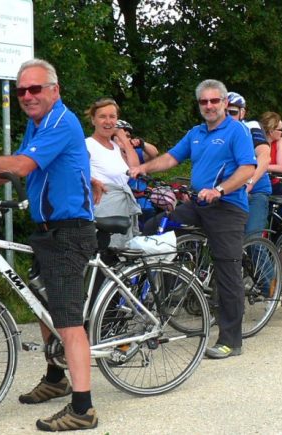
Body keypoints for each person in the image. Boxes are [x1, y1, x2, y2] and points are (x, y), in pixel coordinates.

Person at [0, 59, 100, 431]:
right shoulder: (36, 125)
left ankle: (83, 410)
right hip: (46, 228)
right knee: (42, 308)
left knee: (67, 320)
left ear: (55, 90)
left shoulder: (62, 122)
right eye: (22, 91)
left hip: (70, 230)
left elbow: (22, 165)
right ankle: (55, 378)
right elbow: (11, 166)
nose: (28, 96)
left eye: (35, 89)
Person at [131, 79, 255, 359]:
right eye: (204, 102)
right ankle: (163, 288)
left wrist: (220, 189)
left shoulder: (237, 131)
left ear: (224, 103)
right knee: (156, 226)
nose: (209, 106)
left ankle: (231, 340)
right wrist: (142, 167)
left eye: (214, 101)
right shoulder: (196, 133)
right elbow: (172, 158)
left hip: (227, 206)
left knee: (227, 271)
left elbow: (248, 168)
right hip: (199, 203)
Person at [84, 99, 141, 248]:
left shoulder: (116, 147)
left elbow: (134, 168)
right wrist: (92, 180)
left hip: (121, 210)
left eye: (112, 116)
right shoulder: (87, 145)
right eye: (102, 116)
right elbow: (73, 170)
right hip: (102, 209)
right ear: (93, 120)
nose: (108, 121)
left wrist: (123, 138)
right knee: (104, 256)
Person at [226, 92, 273, 235]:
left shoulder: (251, 127)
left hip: (255, 191)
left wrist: (249, 183)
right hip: (229, 191)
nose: (227, 116)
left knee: (251, 241)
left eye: (232, 112)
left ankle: (261, 256)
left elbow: (265, 157)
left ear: (242, 113)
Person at [115, 119, 161, 226]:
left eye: (128, 136)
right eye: (121, 135)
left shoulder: (135, 153)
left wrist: (142, 143)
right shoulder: (108, 155)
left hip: (143, 205)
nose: (125, 138)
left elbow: (154, 153)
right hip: (122, 205)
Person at [260, 111, 282, 195]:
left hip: (273, 184)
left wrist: (261, 167)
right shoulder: (257, 141)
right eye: (280, 130)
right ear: (271, 130)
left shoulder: (280, 141)